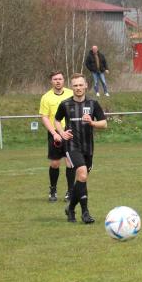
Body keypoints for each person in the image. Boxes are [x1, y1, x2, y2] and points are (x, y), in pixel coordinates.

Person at [54, 74, 107, 224]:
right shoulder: (65, 104)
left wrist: (92, 123)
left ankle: (70, 208)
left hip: (88, 148)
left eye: (80, 85)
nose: (78, 88)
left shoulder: (93, 104)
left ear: (86, 86)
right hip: (71, 146)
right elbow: (57, 120)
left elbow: (104, 123)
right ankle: (85, 212)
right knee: (82, 174)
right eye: (75, 85)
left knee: (81, 180)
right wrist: (61, 132)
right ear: (72, 87)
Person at [39, 71, 75, 202]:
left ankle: (70, 192)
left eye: (60, 79)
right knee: (55, 163)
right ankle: (53, 190)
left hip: (70, 132)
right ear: (51, 81)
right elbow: (44, 117)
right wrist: (54, 133)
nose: (58, 81)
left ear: (64, 80)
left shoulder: (71, 93)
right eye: (55, 79)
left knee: (70, 162)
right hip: (55, 133)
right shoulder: (46, 97)